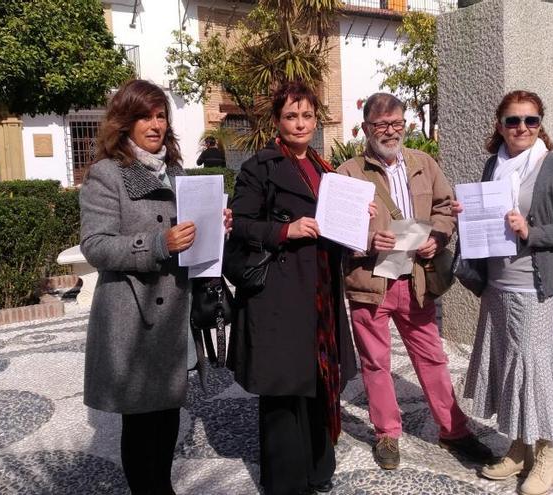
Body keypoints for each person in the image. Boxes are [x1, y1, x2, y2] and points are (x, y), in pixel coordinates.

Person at [79, 79, 232, 495]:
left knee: (167, 419)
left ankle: (160, 487)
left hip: (174, 316)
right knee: (142, 423)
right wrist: (158, 244)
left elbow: (194, 239)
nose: (155, 124)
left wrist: (217, 229)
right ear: (124, 123)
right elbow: (95, 246)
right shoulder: (108, 175)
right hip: (135, 318)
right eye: (145, 115)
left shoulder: (178, 174)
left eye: (161, 115)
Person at [337, 93, 492, 471]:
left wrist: (437, 237)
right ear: (366, 128)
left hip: (417, 281)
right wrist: (368, 241)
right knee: (375, 362)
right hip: (370, 282)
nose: (390, 132)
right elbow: (337, 230)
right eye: (381, 125)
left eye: (396, 124)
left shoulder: (424, 164)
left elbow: (444, 208)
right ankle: (387, 432)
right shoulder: (348, 173)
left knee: (432, 357)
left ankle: (453, 430)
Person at [226, 81, 358, 495]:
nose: (299, 124)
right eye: (290, 116)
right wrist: (286, 229)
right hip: (279, 296)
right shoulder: (259, 167)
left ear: (316, 119)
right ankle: (287, 484)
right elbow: (241, 226)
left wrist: (359, 213)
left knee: (319, 382)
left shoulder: (324, 168)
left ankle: (318, 469)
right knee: (284, 391)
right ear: (277, 121)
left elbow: (336, 227)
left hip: (319, 293)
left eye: (306, 116)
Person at [462, 90, 553, 495]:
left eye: (531, 121)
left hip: (533, 286)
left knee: (535, 369)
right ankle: (518, 447)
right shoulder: (491, 166)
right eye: (513, 121)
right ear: (500, 126)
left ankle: (546, 455)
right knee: (509, 367)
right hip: (497, 287)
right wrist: (470, 215)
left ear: (540, 124)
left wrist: (531, 232)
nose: (522, 129)